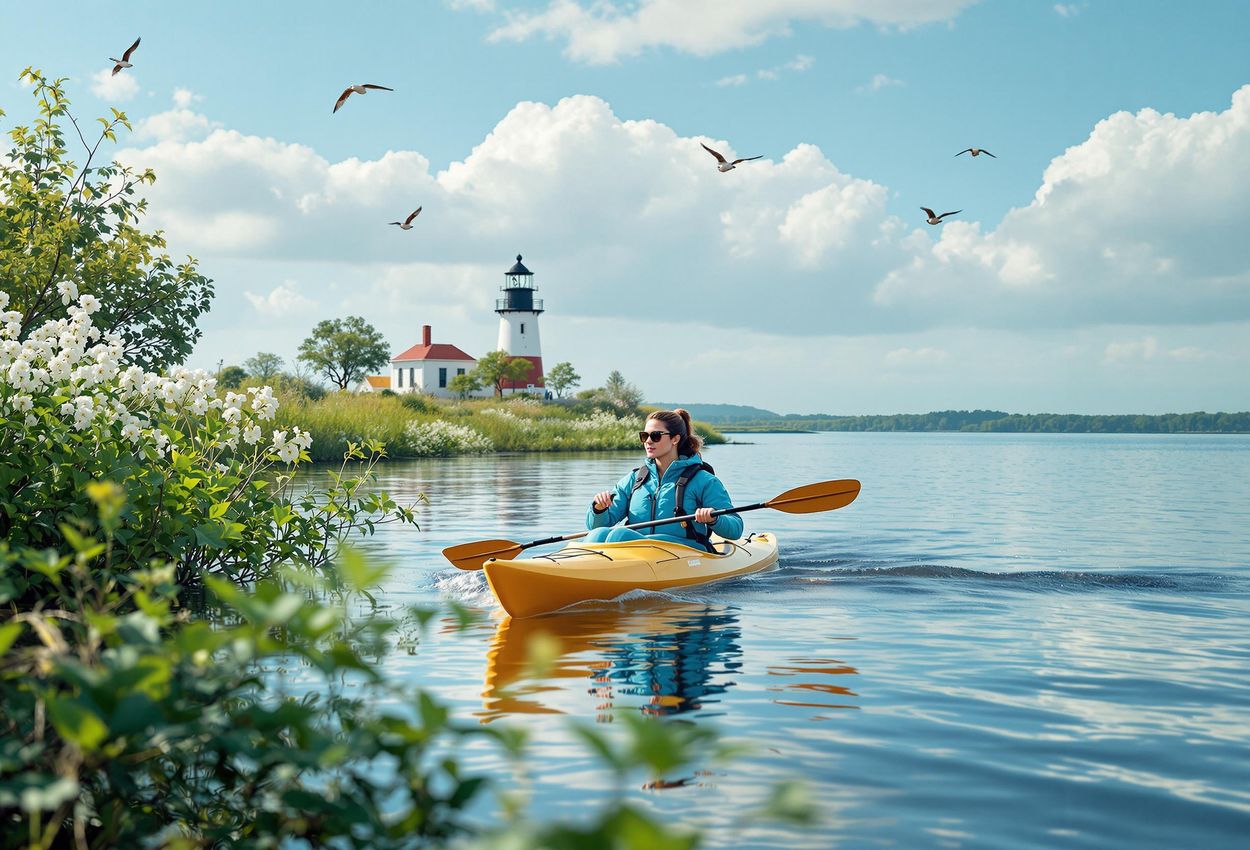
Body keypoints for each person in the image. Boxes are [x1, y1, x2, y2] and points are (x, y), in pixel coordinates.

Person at [585, 409, 743, 551]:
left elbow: (735, 528)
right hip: (638, 551)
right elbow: (596, 526)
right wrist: (599, 509)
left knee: (619, 535)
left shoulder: (703, 480)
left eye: (655, 436)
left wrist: (714, 518)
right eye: (644, 436)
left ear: (675, 439)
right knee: (599, 534)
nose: (648, 441)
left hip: (686, 552)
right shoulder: (635, 479)